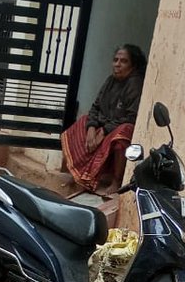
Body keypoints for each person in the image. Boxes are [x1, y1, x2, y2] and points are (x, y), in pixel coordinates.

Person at [61, 44, 147, 196]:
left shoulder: (135, 83)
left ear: (133, 66)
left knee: (123, 134)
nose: (117, 64)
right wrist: (92, 128)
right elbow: (95, 106)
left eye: (123, 61)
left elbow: (132, 117)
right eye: (115, 60)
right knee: (82, 122)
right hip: (103, 124)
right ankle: (79, 175)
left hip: (117, 127)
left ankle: (116, 181)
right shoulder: (110, 81)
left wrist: (105, 131)